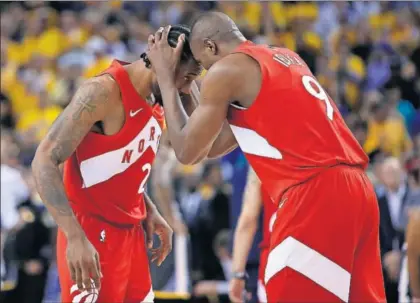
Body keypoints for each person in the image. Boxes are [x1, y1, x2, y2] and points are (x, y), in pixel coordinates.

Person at [146, 13, 386, 302]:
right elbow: (207, 146)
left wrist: (166, 79)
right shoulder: (283, 58)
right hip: (358, 190)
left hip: (314, 192)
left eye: (203, 66)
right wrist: (187, 88)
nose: (205, 74)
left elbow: (185, 151)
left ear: (211, 47)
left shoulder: (228, 70)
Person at [31, 25, 208, 303]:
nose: (187, 88)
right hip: (90, 232)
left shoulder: (157, 99)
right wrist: (74, 237)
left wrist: (146, 208)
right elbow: (44, 160)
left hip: (133, 234)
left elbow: (120, 166)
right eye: (186, 78)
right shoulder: (102, 92)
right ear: (163, 64)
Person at [229, 167, 276, 303]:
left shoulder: (262, 152)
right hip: (322, 257)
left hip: (275, 261)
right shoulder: (331, 148)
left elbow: (248, 220)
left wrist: (237, 274)